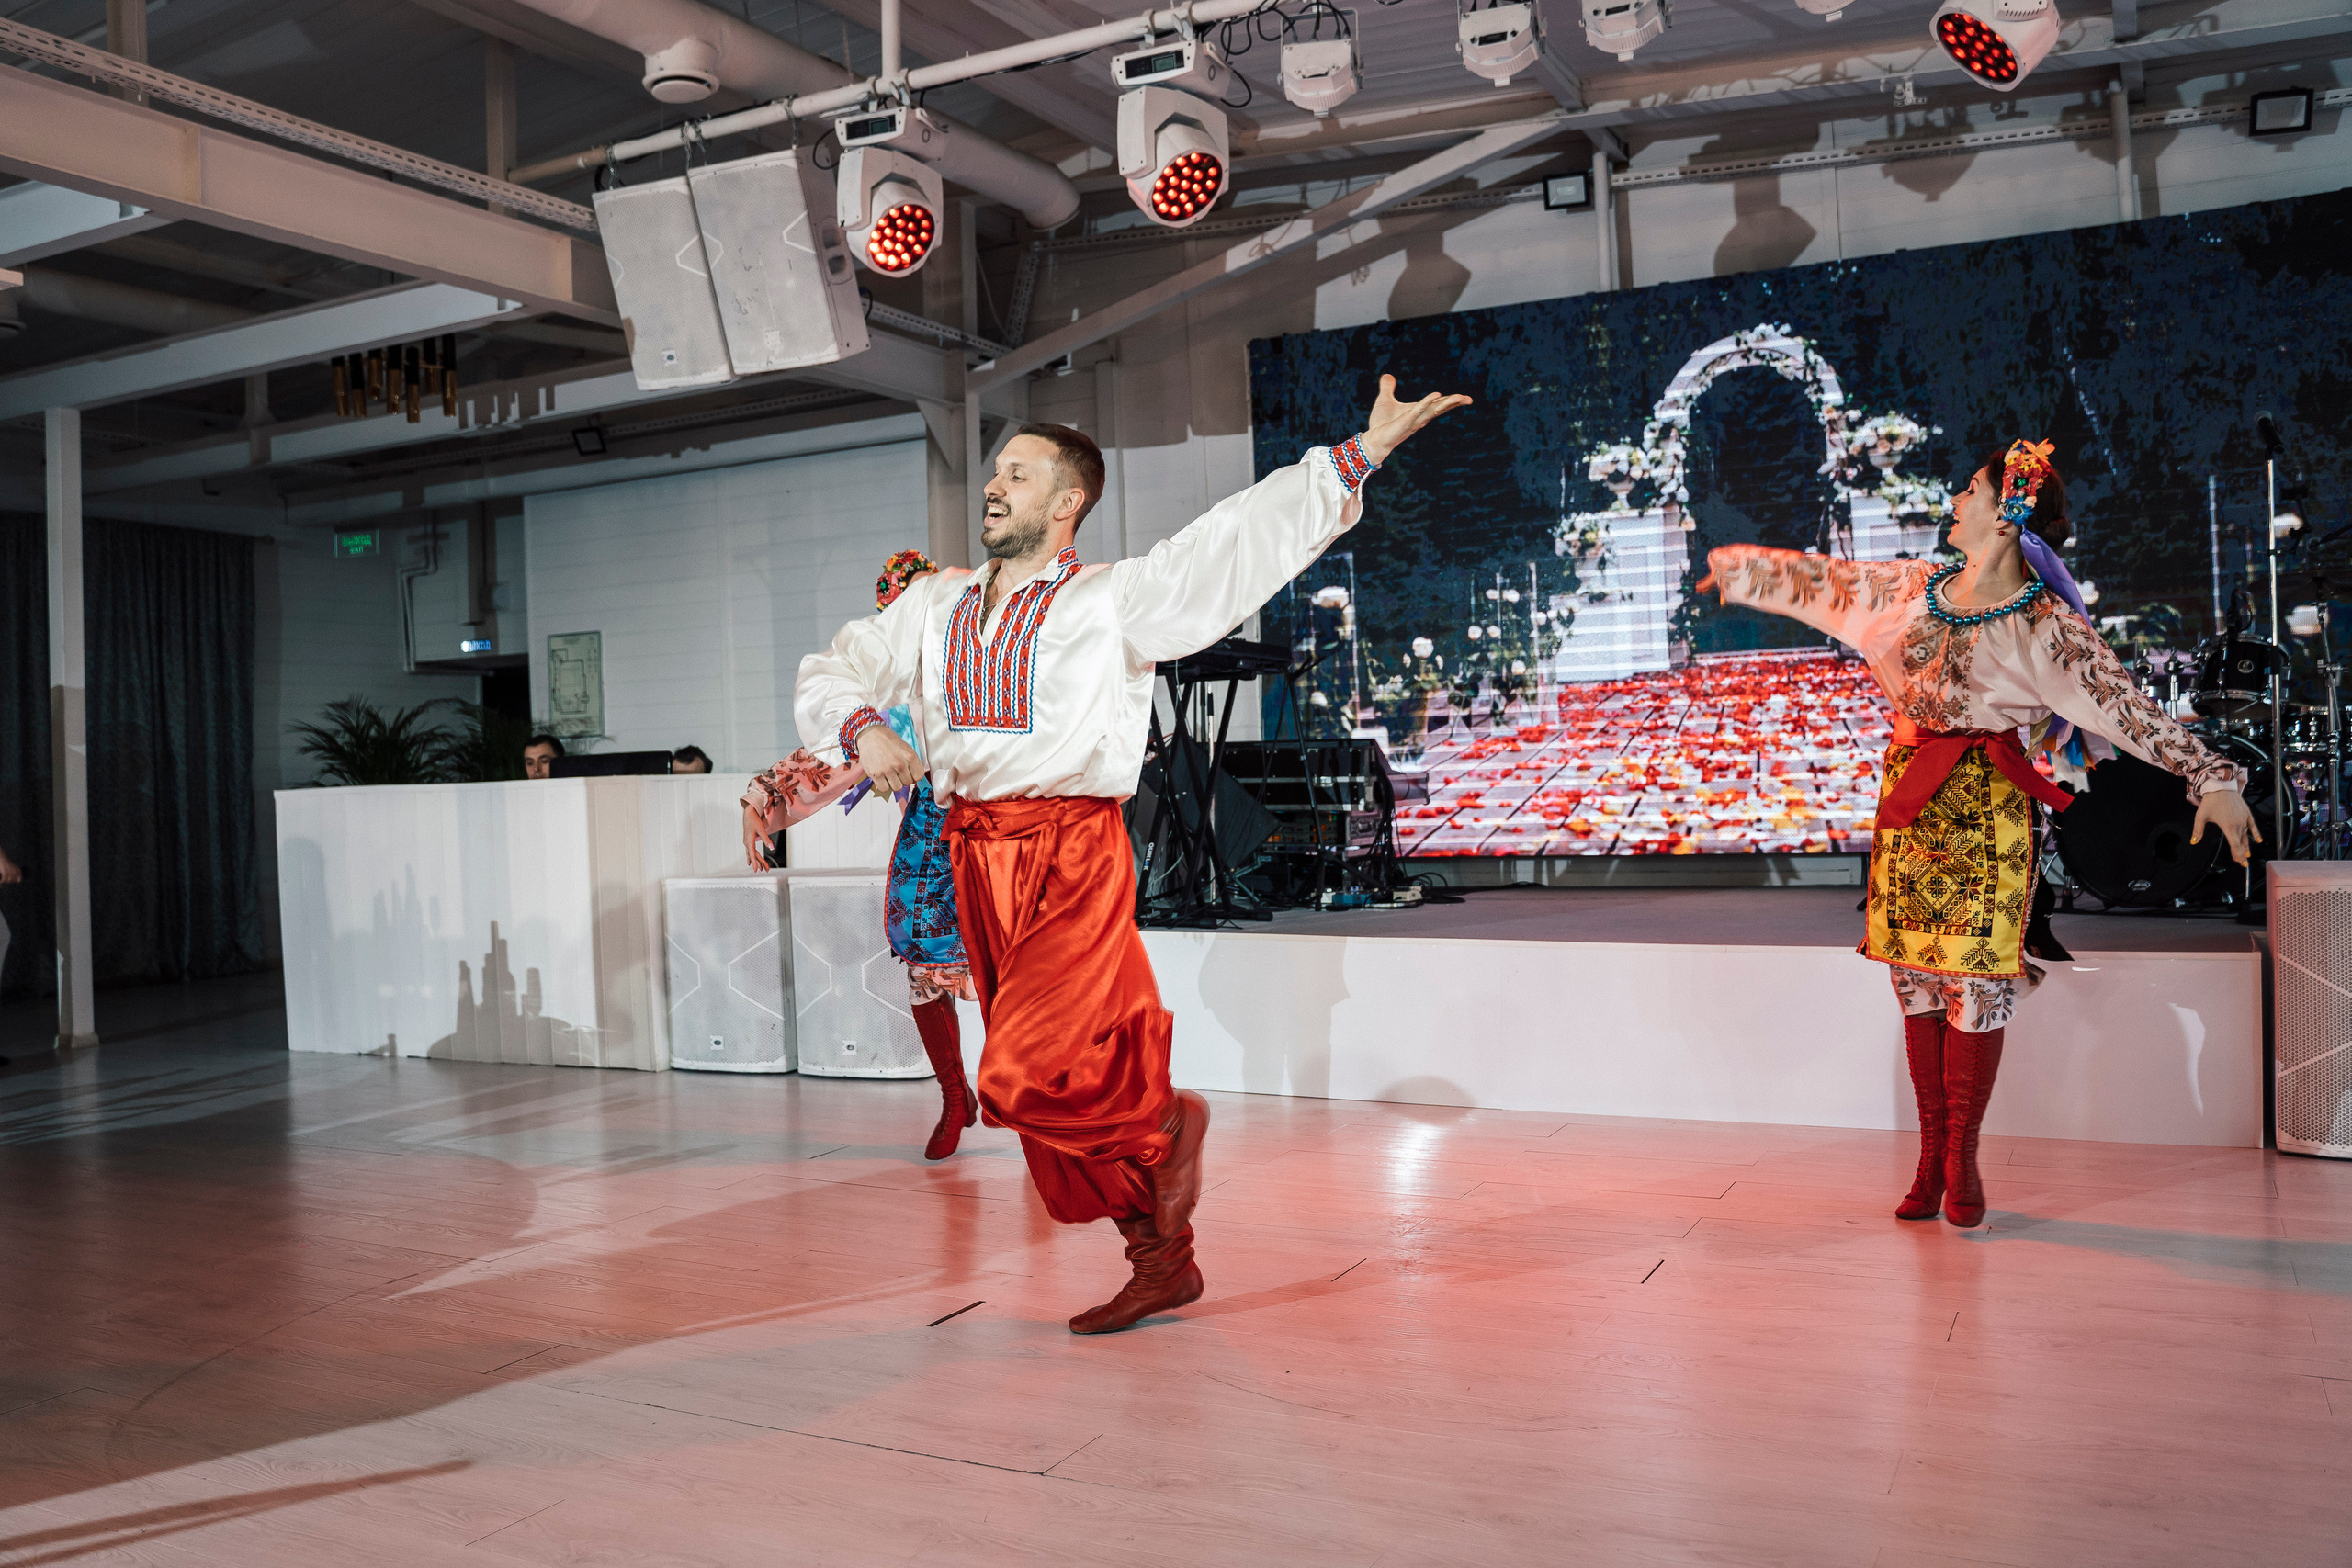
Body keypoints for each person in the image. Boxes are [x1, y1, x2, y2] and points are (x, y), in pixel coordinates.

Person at [793, 379, 1469, 1333]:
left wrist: (1355, 456)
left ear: (1067, 501)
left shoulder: (1109, 600)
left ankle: (1165, 1128)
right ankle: (1164, 1260)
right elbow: (838, 664)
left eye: (1017, 475)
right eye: (993, 473)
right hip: (974, 853)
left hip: (1068, 850)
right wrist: (862, 726)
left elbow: (1230, 545)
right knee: (1055, 1101)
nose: (994, 487)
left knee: (1020, 1078)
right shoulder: (934, 604)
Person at [1701, 439, 2256, 1228]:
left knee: (1980, 983)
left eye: (1968, 491)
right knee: (1915, 980)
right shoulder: (1912, 590)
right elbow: (1827, 583)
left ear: (2004, 515)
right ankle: (1928, 1161)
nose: (1954, 502)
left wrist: (2215, 778)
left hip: (1988, 811)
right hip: (1910, 806)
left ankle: (1961, 1158)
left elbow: (2128, 711)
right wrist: (1740, 571)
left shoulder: (2045, 627)